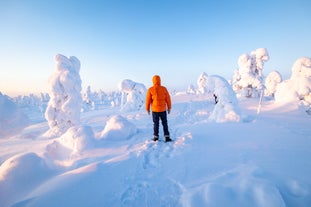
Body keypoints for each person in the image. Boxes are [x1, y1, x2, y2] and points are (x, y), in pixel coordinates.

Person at [146, 75, 172, 142]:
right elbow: (168, 99)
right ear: (160, 80)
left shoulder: (150, 89)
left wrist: (147, 108)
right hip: (163, 110)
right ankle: (167, 137)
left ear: (153, 81)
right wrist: (169, 107)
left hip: (155, 110)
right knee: (164, 123)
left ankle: (156, 137)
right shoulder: (164, 89)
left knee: (156, 124)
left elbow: (148, 100)